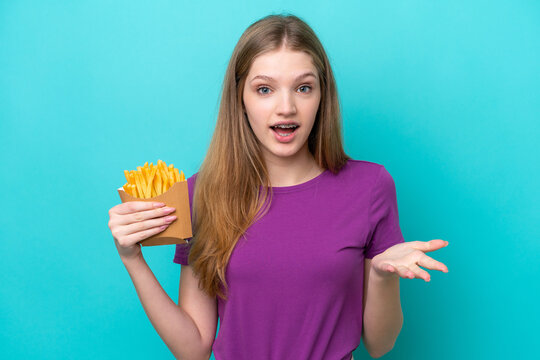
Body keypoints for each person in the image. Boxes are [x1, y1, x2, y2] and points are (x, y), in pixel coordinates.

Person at [108, 13, 449, 360]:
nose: (286, 108)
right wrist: (132, 258)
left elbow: (380, 344)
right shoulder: (201, 194)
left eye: (303, 88)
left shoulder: (370, 186)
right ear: (240, 98)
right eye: (265, 89)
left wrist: (382, 276)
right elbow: (193, 349)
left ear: (322, 96)